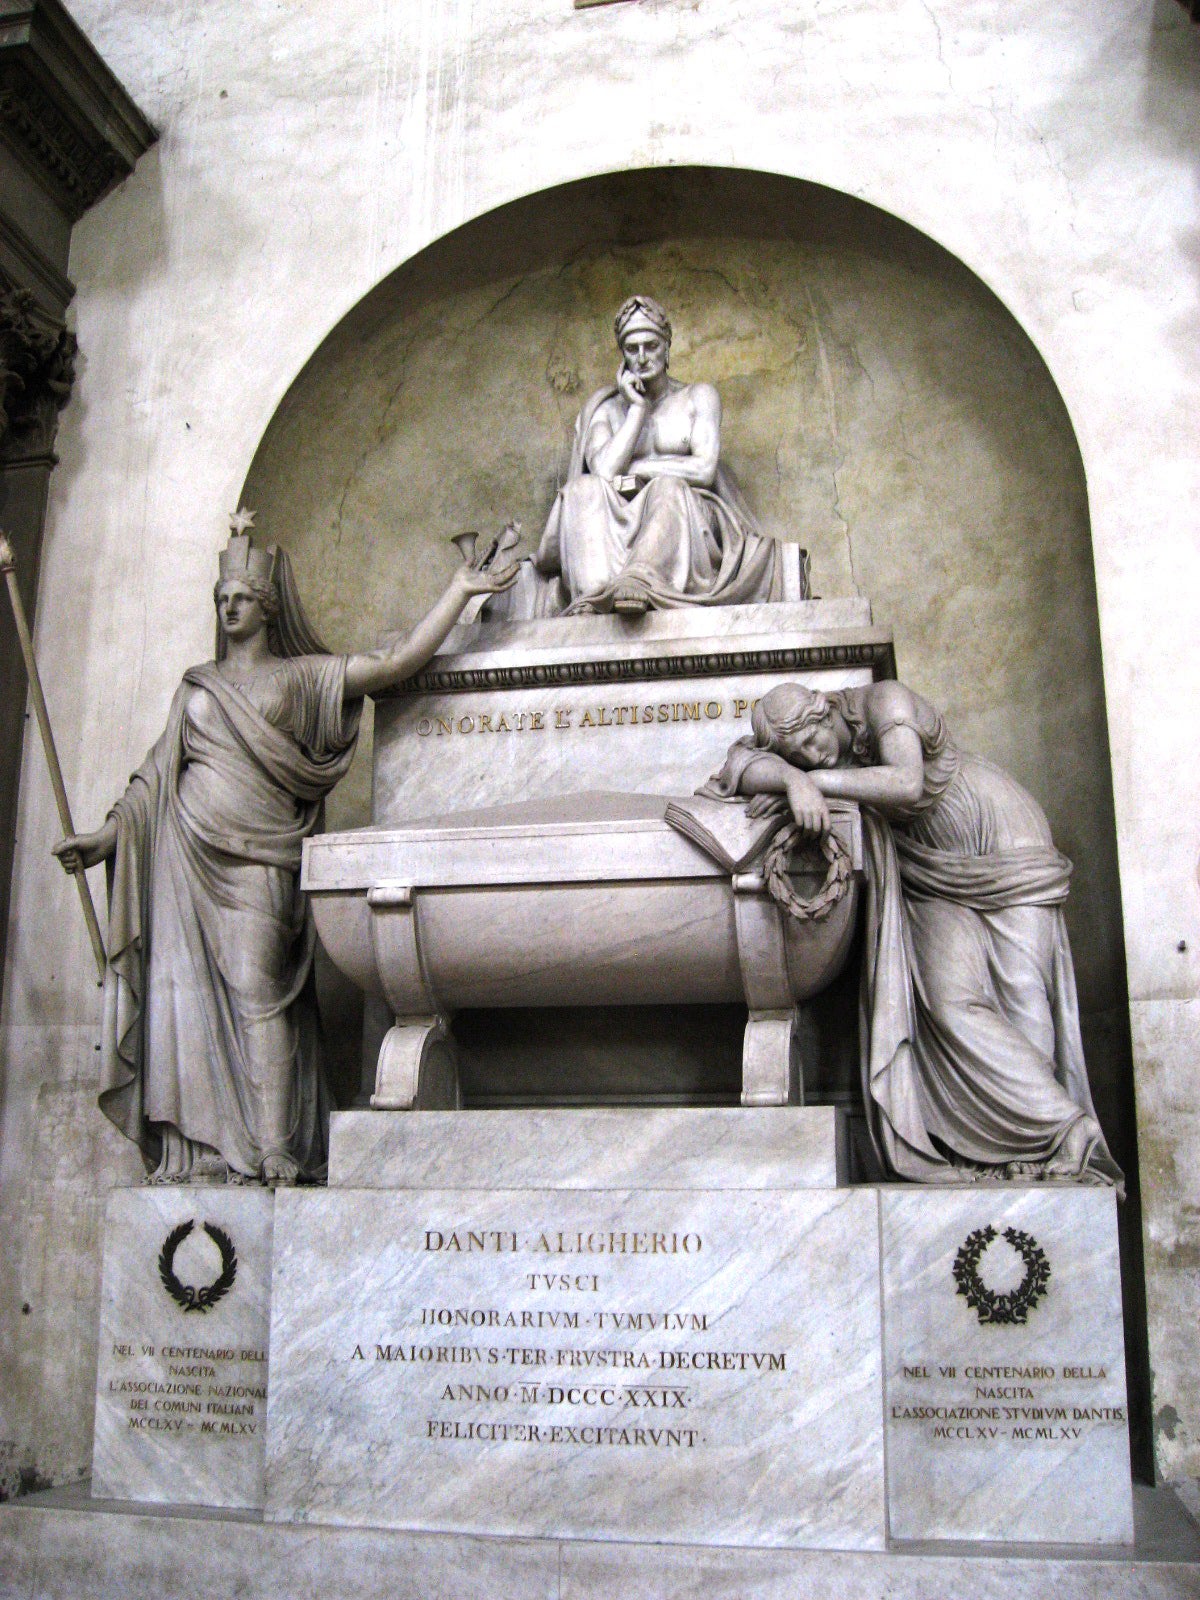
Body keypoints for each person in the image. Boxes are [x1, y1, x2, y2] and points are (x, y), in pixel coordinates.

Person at [53, 522, 516, 1186]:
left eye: (241, 596)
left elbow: (391, 667)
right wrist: (103, 839)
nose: (229, 608)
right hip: (186, 858)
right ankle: (204, 1149)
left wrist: (457, 591)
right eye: (221, 598)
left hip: (260, 863)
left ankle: (274, 1146)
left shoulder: (302, 680)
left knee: (258, 993)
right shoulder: (197, 688)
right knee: (184, 998)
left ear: (268, 606)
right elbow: (156, 777)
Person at [701, 680, 1121, 1186]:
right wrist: (792, 780)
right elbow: (738, 764)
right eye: (800, 757)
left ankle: (1060, 1145)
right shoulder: (803, 764)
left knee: (1021, 995)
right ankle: (1053, 1125)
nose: (816, 756)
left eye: (811, 744)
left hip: (1001, 843)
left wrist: (814, 784)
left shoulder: (885, 702)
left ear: (821, 711)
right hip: (925, 867)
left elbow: (906, 784)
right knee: (949, 1003)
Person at [527, 295, 786, 615]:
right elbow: (602, 475)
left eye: (651, 346)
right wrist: (637, 410)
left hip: (685, 519)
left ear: (667, 348)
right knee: (581, 490)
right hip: (617, 520)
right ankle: (593, 596)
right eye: (632, 350)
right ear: (622, 357)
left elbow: (704, 470)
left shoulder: (697, 397)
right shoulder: (606, 409)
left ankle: (640, 580)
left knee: (666, 486)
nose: (642, 357)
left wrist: (643, 469)